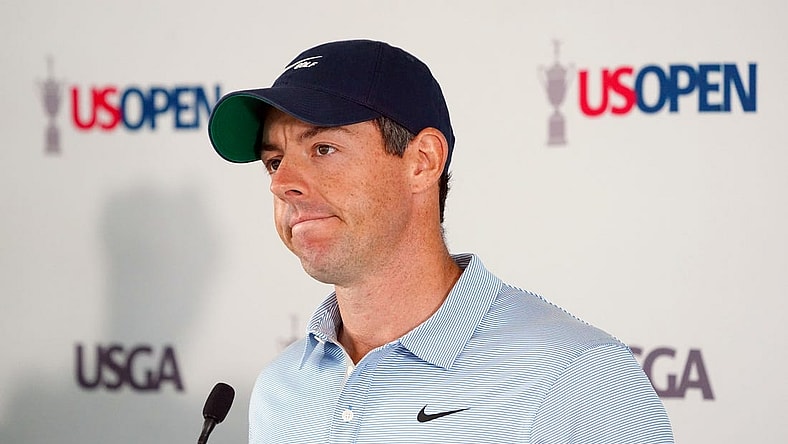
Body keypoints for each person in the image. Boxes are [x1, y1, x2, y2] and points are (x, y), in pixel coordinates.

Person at [207, 39, 673, 443]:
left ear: (423, 161)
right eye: (273, 161)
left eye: (322, 149)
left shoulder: (577, 377)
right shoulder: (281, 387)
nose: (281, 182)